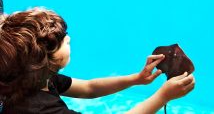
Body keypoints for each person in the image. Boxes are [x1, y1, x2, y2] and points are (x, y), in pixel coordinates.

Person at [0, 7, 195, 113]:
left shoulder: (34, 79)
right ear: (43, 60)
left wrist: (136, 79)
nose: (68, 38)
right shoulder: (42, 110)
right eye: (60, 41)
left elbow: (89, 88)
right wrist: (163, 97)